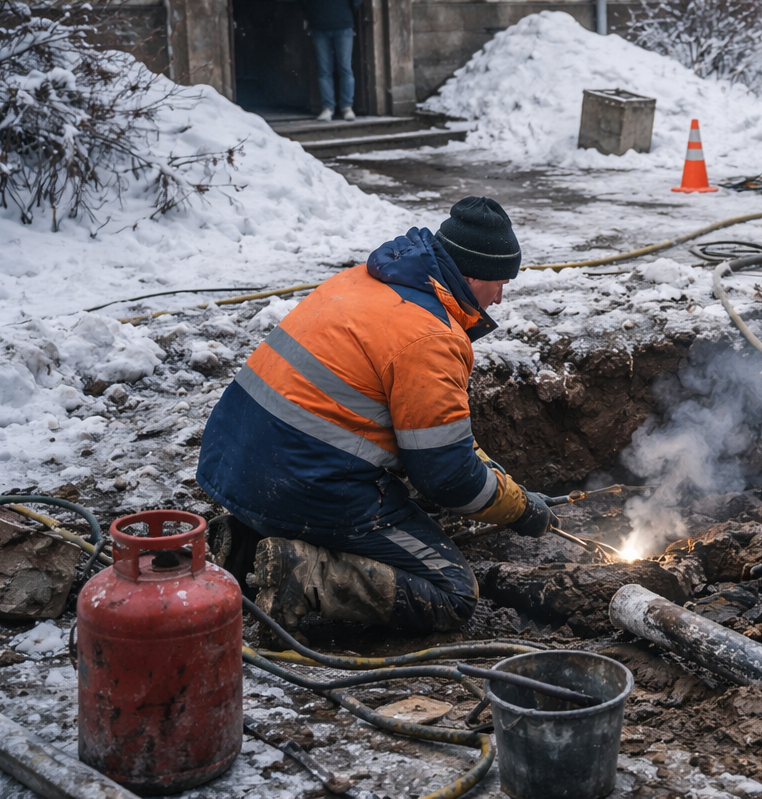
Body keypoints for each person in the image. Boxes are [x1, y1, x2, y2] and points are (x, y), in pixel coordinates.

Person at [198, 197, 556, 635]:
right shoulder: (428, 336)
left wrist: (504, 483)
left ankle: (244, 539)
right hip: (304, 482)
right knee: (453, 593)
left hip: (232, 463)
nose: (499, 298)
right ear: (471, 273)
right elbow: (446, 477)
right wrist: (519, 510)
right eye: (499, 283)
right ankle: (305, 575)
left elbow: (438, 436)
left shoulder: (367, 283)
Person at [298, 0, 363, 122]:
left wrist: (346, 13)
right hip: (320, 27)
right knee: (326, 70)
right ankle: (328, 108)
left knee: (343, 68)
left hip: (342, 26)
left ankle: (346, 107)